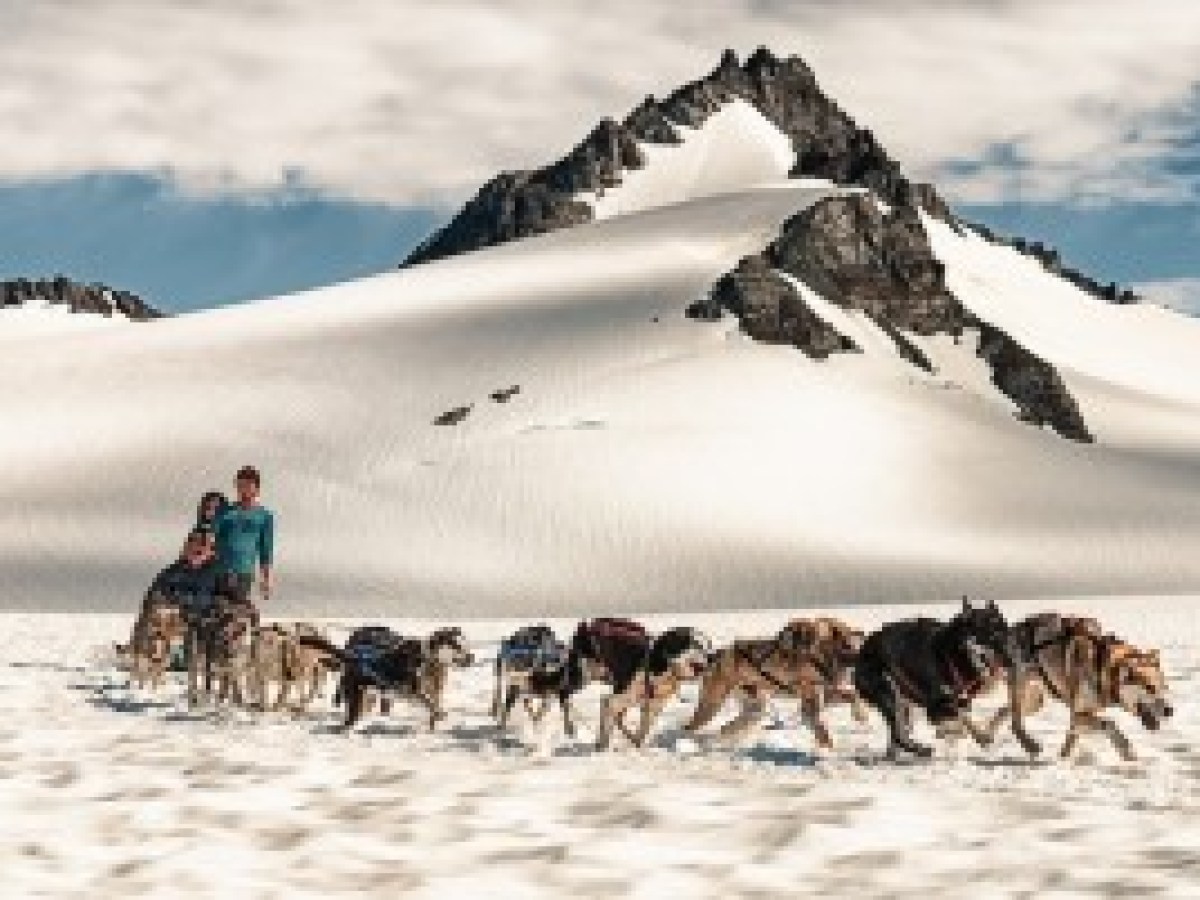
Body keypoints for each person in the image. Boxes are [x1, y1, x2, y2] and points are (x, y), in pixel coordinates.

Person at [214, 465, 275, 610]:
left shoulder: (265, 516)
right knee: (217, 610)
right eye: (240, 485)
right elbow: (211, 540)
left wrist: (266, 579)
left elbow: (265, 550)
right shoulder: (225, 511)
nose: (243, 489)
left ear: (257, 489)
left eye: (248, 485)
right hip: (219, 571)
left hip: (244, 572)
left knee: (236, 611)